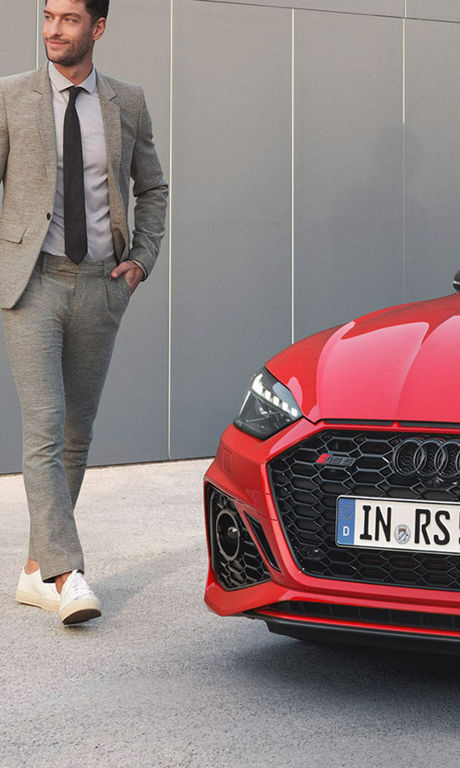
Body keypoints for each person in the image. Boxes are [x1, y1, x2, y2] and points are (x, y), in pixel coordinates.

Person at [0, 0, 167, 625]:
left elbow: (152, 186)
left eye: (68, 19)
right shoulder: (12, 97)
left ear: (97, 27)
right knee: (44, 426)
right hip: (32, 284)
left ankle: (32, 572)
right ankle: (67, 573)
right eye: (46, 17)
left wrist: (142, 260)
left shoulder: (127, 101)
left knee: (76, 434)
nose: (53, 30)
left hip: (101, 285)